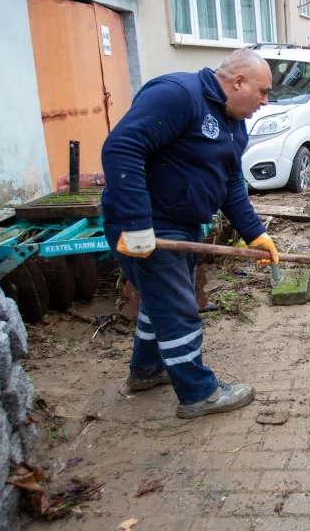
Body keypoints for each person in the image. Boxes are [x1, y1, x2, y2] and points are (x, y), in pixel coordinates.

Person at [100, 49, 278, 419]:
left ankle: (147, 371)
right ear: (238, 82)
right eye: (262, 91)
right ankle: (199, 394)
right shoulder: (178, 95)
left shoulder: (233, 121)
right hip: (148, 222)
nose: (266, 100)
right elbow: (121, 147)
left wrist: (254, 234)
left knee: (158, 300)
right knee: (179, 309)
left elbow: (230, 183)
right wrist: (136, 224)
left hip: (182, 226)